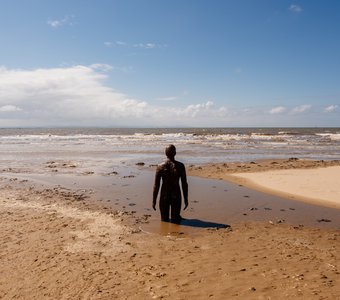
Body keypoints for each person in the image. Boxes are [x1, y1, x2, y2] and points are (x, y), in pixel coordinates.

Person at [153, 144, 188, 223]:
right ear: (175, 153)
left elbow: (156, 185)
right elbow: (184, 184)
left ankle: (164, 234)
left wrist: (154, 201)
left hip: (164, 195)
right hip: (176, 195)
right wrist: (186, 199)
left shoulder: (160, 166)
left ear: (165, 153)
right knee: (175, 221)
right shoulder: (180, 166)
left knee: (164, 220)